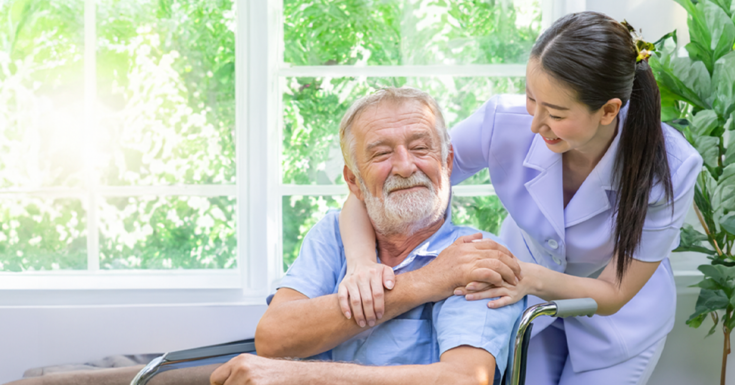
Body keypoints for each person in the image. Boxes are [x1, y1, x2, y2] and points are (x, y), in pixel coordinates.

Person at [337, 12, 703, 385]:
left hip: (615, 320)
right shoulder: (502, 123)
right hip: (523, 300)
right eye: (532, 98)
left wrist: (521, 276)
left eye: (556, 114)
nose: (535, 123)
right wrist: (361, 263)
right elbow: (376, 188)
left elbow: (614, 292)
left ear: (608, 110)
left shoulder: (671, 168)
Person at [214, 87, 524, 385]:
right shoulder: (333, 235)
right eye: (381, 154)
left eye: (420, 148)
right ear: (353, 181)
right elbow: (274, 337)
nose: (404, 166)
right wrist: (427, 281)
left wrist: (302, 377)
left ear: (447, 162)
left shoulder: (476, 255)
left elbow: (466, 379)